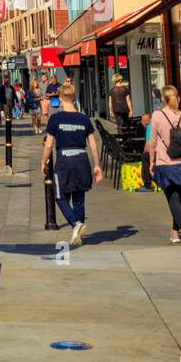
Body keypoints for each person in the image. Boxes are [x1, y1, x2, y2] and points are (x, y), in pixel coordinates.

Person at [41, 85, 103, 246]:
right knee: (79, 198)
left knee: (60, 196)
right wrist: (97, 165)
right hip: (82, 159)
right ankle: (77, 235)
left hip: (64, 160)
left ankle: (76, 224)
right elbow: (93, 144)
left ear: (61, 99)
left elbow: (48, 145)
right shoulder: (84, 119)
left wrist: (44, 162)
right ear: (74, 98)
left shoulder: (55, 119)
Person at [147, 86, 181, 247]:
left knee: (173, 198)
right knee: (179, 197)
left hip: (166, 163)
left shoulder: (157, 115)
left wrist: (151, 161)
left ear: (162, 98)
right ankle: (175, 233)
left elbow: (152, 142)